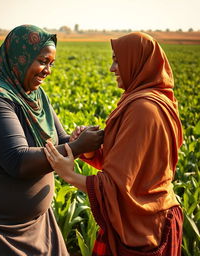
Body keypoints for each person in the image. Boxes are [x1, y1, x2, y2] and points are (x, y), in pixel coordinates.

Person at [0, 25, 104, 256]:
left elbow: (59, 140)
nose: (47, 70)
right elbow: (17, 160)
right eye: (42, 61)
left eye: (52, 63)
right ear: (19, 58)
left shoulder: (33, 94)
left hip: (34, 222)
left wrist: (75, 140)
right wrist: (78, 146)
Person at [44, 32, 184, 256]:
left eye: (117, 60)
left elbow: (117, 187)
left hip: (142, 228)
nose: (112, 68)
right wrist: (91, 151)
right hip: (150, 218)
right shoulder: (153, 100)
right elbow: (131, 166)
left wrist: (68, 174)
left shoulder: (143, 110)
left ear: (137, 61)